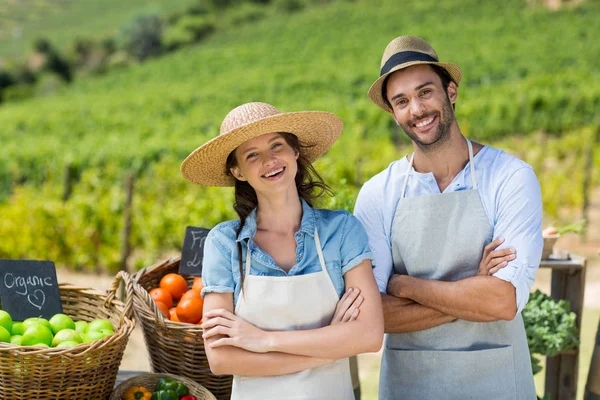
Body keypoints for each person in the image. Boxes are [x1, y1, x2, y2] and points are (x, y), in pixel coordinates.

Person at [354, 36, 543, 399]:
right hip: (411, 384)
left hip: (497, 381)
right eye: (402, 101)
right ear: (393, 114)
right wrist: (474, 287)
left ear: (451, 91)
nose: (417, 109)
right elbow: (372, 317)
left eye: (425, 92)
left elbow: (503, 302)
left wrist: (403, 286)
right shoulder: (379, 194)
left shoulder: (510, 177)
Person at [181, 102, 384, 400]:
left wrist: (263, 340)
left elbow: (369, 335)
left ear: (295, 152)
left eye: (277, 145)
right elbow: (222, 359)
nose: (270, 160)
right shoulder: (223, 243)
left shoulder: (341, 231)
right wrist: (325, 352)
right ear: (237, 171)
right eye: (253, 155)